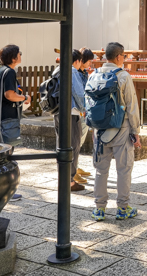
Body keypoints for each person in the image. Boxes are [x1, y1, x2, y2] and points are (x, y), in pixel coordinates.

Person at [91, 42, 141, 221]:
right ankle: (122, 208)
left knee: (100, 170)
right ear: (119, 57)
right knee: (123, 169)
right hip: (121, 128)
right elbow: (132, 106)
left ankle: (99, 209)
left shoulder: (94, 74)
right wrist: (136, 131)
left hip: (99, 129)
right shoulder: (123, 76)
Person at [52, 49, 86, 192]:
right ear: (77, 61)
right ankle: (70, 181)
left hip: (58, 111)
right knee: (73, 145)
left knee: (61, 144)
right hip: (71, 113)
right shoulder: (72, 71)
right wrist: (85, 108)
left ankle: (62, 177)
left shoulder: (57, 70)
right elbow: (78, 93)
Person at [0, 45, 31, 145]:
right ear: (14, 59)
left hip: (0, 113)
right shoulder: (10, 72)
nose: (21, 55)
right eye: (19, 54)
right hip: (7, 115)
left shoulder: (1, 70)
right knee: (7, 146)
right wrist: (25, 97)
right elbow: (9, 95)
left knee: (0, 145)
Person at [74, 47, 95, 182]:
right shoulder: (75, 73)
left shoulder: (83, 72)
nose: (90, 64)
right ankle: (72, 169)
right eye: (88, 61)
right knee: (76, 140)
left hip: (84, 109)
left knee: (80, 140)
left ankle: (75, 166)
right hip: (79, 110)